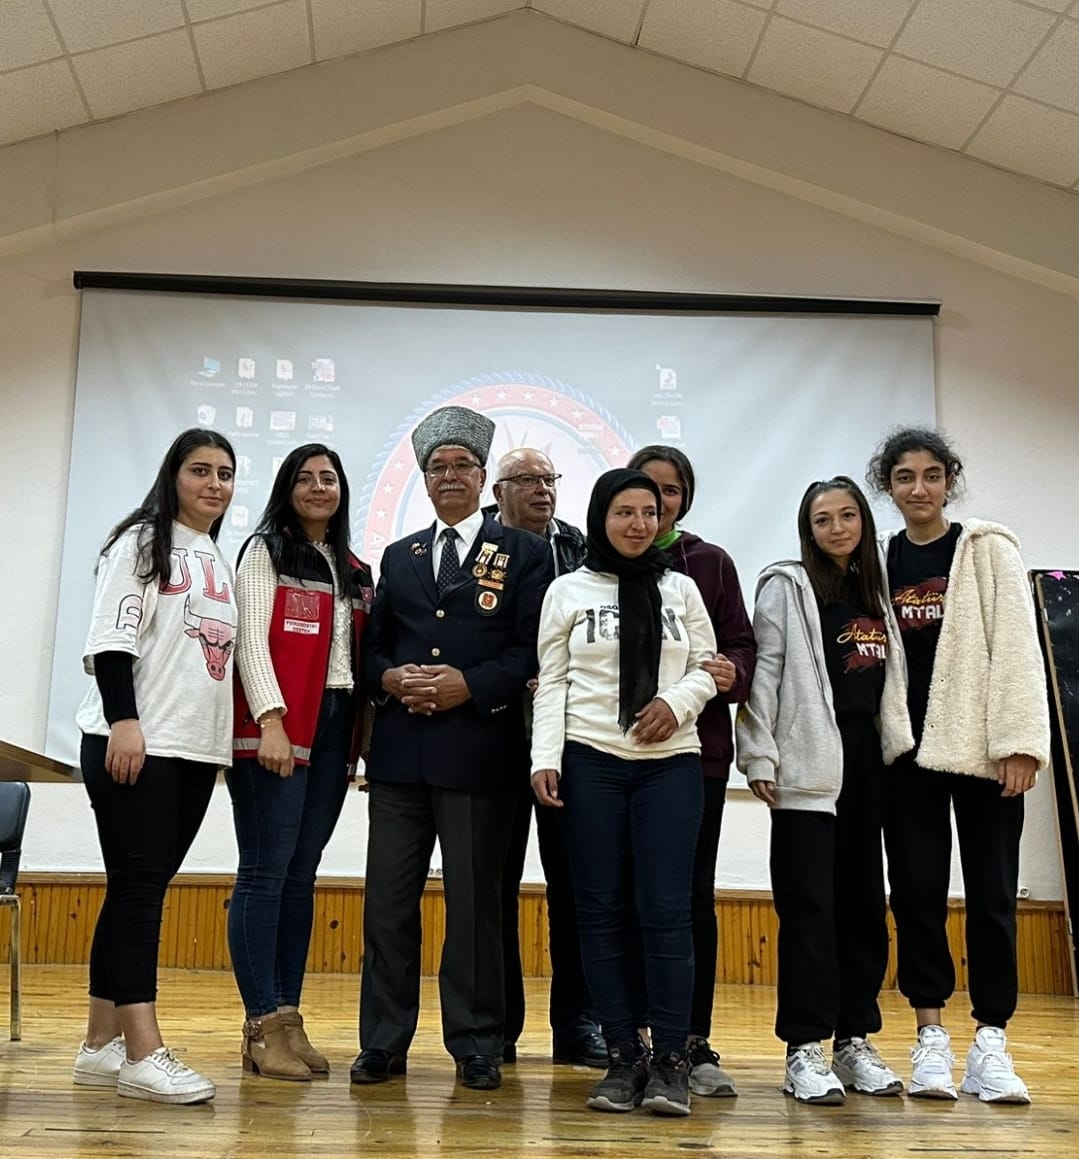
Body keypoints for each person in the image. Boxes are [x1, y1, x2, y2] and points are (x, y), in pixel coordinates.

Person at [351, 406, 554, 1092]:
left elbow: (530, 648)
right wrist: (387, 677)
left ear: (482, 479)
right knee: (387, 905)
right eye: (437, 467)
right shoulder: (399, 554)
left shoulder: (524, 553)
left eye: (462, 466)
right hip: (402, 757)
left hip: (479, 754)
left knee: (473, 909)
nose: (449, 477)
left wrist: (469, 685)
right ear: (425, 478)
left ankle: (475, 1041)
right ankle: (383, 1041)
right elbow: (371, 647)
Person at [866, 428, 1050, 1103]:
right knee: (916, 893)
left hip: (984, 751)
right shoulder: (876, 559)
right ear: (886, 484)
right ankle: (930, 1037)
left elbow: (1018, 648)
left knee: (993, 897)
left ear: (949, 480)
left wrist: (1021, 742)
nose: (918, 488)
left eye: (931, 475)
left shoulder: (986, 548)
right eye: (904, 476)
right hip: (907, 754)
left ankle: (991, 1040)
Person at [531, 468, 718, 1118]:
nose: (637, 523)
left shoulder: (682, 589)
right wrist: (543, 758)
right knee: (599, 909)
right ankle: (621, 1055)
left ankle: (669, 1059)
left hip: (669, 765)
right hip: (590, 762)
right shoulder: (566, 590)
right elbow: (550, 679)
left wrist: (675, 700)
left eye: (647, 510)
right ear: (599, 517)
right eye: (623, 511)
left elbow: (707, 666)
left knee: (665, 911)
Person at [72, 428, 237, 1105]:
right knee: (141, 890)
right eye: (200, 470)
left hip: (194, 748)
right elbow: (111, 638)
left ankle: (98, 1043)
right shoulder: (143, 540)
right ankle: (144, 1051)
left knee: (134, 886)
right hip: (138, 739)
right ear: (173, 475)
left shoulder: (217, 556)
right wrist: (124, 719)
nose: (214, 484)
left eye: (225, 473)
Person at [736, 477, 908, 1104]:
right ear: (807, 529)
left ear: (862, 520)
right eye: (821, 520)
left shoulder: (876, 588)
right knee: (810, 909)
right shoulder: (788, 586)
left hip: (869, 765)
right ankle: (804, 1048)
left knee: (864, 907)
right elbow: (765, 674)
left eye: (846, 516)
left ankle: (854, 1039)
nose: (836, 528)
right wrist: (758, 753)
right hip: (809, 765)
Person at [228, 444, 373, 1080]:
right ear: (287, 488)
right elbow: (248, 642)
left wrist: (363, 734)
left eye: (329, 478)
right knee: (265, 872)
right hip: (281, 727)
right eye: (306, 478)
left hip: (337, 726)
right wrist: (271, 721)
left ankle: (289, 1019)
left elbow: (359, 662)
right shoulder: (265, 551)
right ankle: (260, 1025)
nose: (319, 487)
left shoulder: (355, 568)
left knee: (301, 874)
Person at [627, 445, 756, 1097]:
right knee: (627, 898)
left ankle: (691, 1039)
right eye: (645, 490)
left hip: (695, 757)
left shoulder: (708, 562)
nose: (657, 503)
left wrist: (733, 672)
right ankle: (637, 1038)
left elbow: (739, 645)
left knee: (686, 899)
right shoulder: (603, 565)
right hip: (616, 759)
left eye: (670, 491)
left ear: (684, 499)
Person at [488, 447, 606, 1070]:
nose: (542, 489)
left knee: (576, 886)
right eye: (527, 480)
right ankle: (498, 1025)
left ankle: (578, 1025)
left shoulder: (583, 549)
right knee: (495, 886)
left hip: (571, 740)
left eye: (549, 479)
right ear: (498, 491)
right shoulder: (480, 548)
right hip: (497, 738)